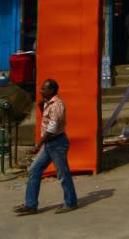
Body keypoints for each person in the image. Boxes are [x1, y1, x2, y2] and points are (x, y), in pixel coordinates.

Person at [14, 79, 78, 215]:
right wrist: (39, 105)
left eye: (44, 89)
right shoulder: (48, 103)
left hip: (57, 143)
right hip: (50, 144)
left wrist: (38, 144)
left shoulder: (57, 105)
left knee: (62, 174)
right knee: (34, 171)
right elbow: (46, 119)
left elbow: (51, 129)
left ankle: (71, 202)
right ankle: (30, 205)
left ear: (52, 91)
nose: (41, 91)